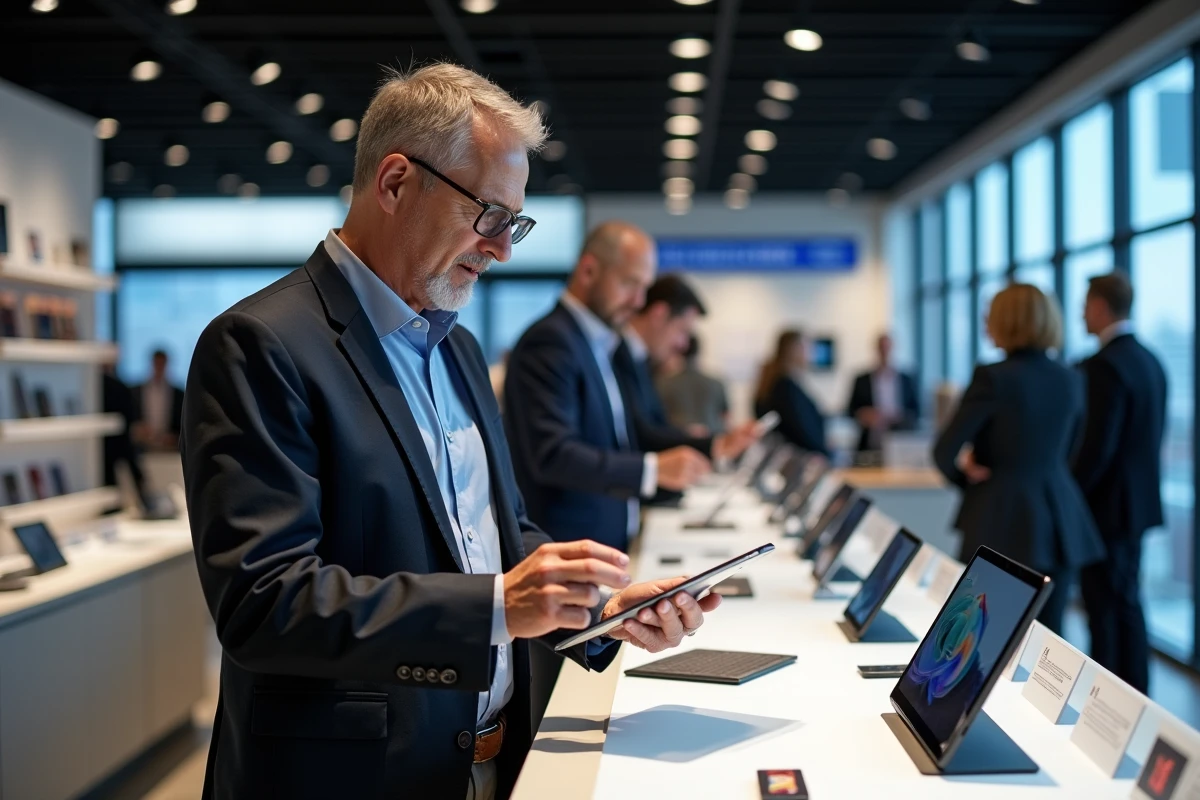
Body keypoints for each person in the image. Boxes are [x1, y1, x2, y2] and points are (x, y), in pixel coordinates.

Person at [181, 63, 720, 800]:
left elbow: (501, 534)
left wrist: (597, 609)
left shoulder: (457, 348)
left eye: (514, 223)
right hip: (353, 777)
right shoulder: (261, 343)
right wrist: (499, 606)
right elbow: (263, 604)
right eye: (488, 215)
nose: (501, 248)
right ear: (396, 183)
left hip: (492, 759)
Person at [503, 222, 716, 553]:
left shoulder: (597, 343)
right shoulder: (551, 341)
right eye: (630, 284)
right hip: (567, 546)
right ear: (589, 270)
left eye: (644, 288)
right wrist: (652, 470)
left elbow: (623, 436)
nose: (638, 301)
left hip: (602, 541)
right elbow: (552, 454)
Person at [933, 284, 1103, 635]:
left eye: (988, 316)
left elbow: (943, 452)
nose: (985, 323)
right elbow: (1072, 449)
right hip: (1059, 519)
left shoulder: (992, 378)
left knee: (984, 636)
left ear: (1004, 321)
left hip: (999, 517)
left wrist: (969, 480)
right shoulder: (1072, 378)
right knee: (1048, 640)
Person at [1073, 272, 1166, 694]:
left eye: (1085, 303)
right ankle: (1137, 697)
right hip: (1139, 504)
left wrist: (1071, 495)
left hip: (1105, 508)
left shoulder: (1104, 366)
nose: (1081, 313)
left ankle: (1106, 703)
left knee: (1106, 610)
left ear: (1099, 306)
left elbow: (1097, 448)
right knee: (1127, 601)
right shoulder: (1151, 360)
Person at [614, 274, 755, 472]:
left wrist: (688, 435)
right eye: (682, 330)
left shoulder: (639, 361)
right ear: (659, 315)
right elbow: (640, 433)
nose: (683, 344)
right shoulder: (616, 356)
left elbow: (652, 426)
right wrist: (714, 443)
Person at [754, 329, 829, 456]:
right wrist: (824, 452)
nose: (811, 352)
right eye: (807, 347)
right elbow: (800, 429)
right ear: (795, 349)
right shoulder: (785, 386)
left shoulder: (778, 381)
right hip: (797, 457)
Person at [847, 333, 920, 452]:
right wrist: (864, 415)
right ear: (876, 350)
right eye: (882, 348)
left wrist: (897, 417)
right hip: (869, 442)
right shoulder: (861, 380)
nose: (884, 352)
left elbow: (916, 412)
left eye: (887, 348)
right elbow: (850, 410)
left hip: (900, 440)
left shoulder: (906, 380)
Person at [657, 335, 729, 437]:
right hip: (712, 437)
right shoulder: (716, 382)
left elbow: (658, 418)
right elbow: (725, 417)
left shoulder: (664, 383)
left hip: (677, 441)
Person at [133, 348, 184, 451]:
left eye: (162, 364)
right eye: (157, 363)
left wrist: (174, 437)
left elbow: (182, 425)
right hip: (142, 448)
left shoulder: (179, 394)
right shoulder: (136, 391)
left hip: (170, 450)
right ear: (152, 364)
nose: (159, 367)